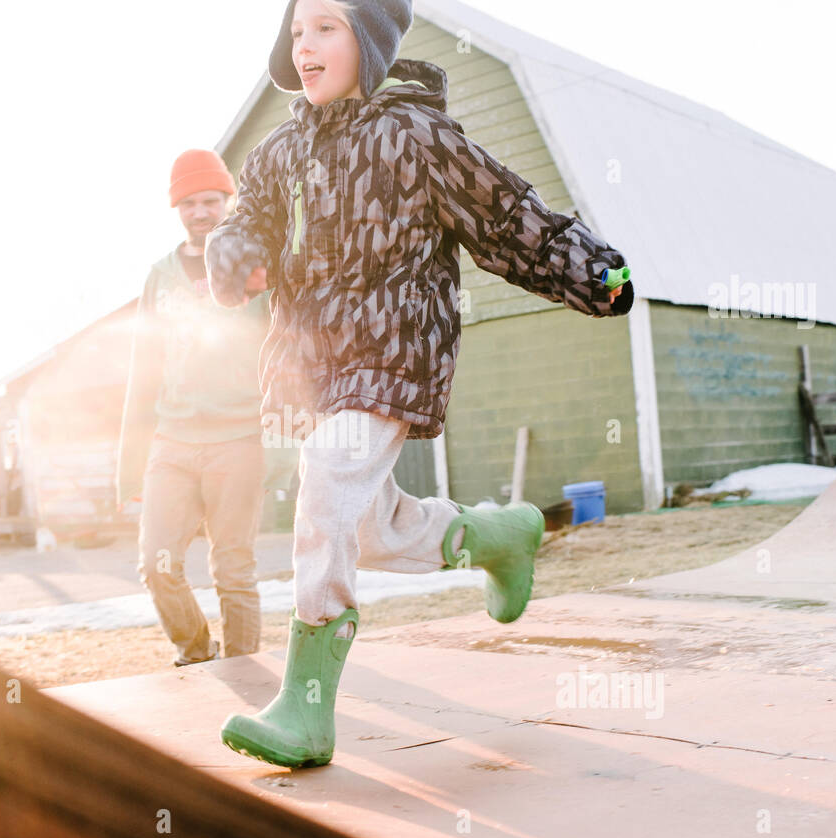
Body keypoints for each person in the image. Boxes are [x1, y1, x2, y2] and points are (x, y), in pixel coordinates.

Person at [205, 0, 635, 767]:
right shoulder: (278, 152)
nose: (305, 45)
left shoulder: (417, 136)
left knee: (329, 479)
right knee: (369, 525)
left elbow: (507, 219)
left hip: (393, 346)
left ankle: (306, 708)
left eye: (327, 27)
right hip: (314, 369)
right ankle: (499, 535)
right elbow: (250, 222)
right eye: (297, 30)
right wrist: (232, 257)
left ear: (368, 41)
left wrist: (591, 268)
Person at [117, 149, 275, 667]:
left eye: (211, 200)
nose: (201, 211)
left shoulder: (257, 265)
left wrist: (287, 437)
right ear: (176, 209)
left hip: (238, 439)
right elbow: (143, 369)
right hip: (174, 442)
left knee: (233, 568)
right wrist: (129, 473)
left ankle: (245, 672)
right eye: (189, 203)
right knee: (157, 564)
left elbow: (286, 348)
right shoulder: (160, 277)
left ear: (228, 201)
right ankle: (196, 654)